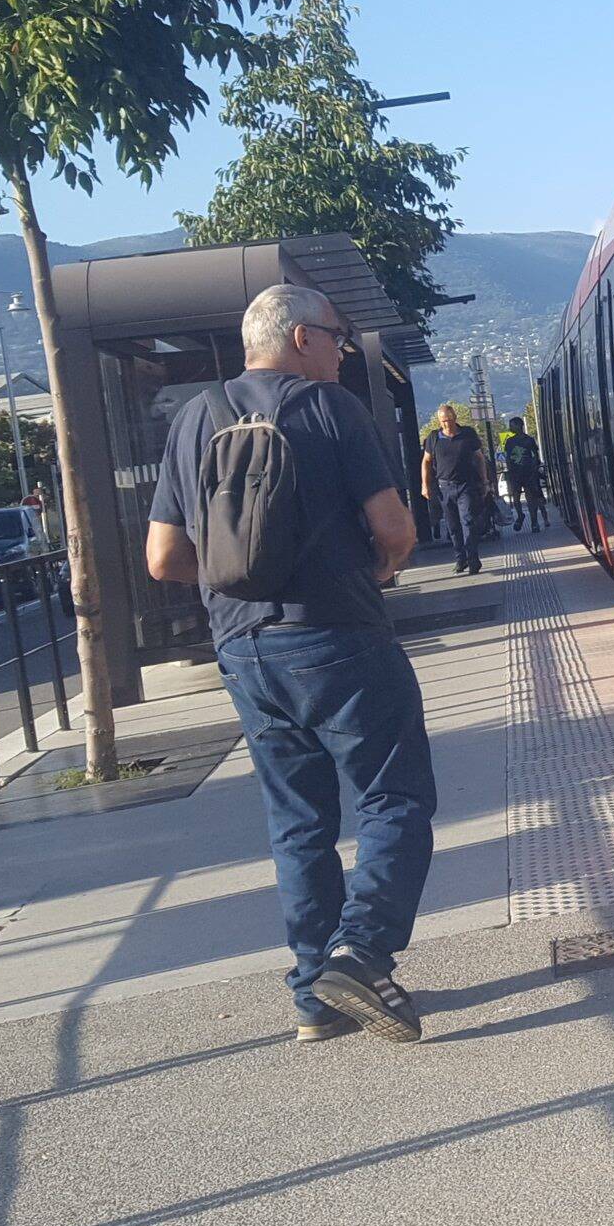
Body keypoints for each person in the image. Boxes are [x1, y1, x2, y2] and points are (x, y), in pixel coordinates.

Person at [144, 284, 430, 1045]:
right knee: (393, 796)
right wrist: (377, 569)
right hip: (338, 635)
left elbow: (164, 557)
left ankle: (314, 997)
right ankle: (361, 951)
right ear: (301, 337)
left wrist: (242, 577)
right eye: (335, 336)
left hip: (242, 649)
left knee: (298, 822)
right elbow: (394, 528)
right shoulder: (330, 410)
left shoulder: (193, 418)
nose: (341, 350)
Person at [419, 403, 493, 575]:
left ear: (455, 419)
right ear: (439, 421)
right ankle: (460, 558)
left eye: (449, 420)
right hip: (444, 487)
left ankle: (473, 559)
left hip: (466, 485)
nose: (446, 424)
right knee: (452, 526)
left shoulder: (467, 435)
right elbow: (426, 462)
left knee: (467, 520)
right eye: (443, 421)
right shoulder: (434, 438)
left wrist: (484, 481)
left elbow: (479, 458)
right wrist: (425, 485)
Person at [498, 416, 546, 532]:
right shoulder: (510, 441)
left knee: (530, 499)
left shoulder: (528, 440)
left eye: (512, 425)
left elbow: (535, 455)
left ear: (519, 426)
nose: (510, 428)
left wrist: (534, 467)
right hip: (516, 474)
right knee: (516, 498)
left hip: (527, 473)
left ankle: (534, 523)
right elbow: (508, 457)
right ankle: (520, 516)